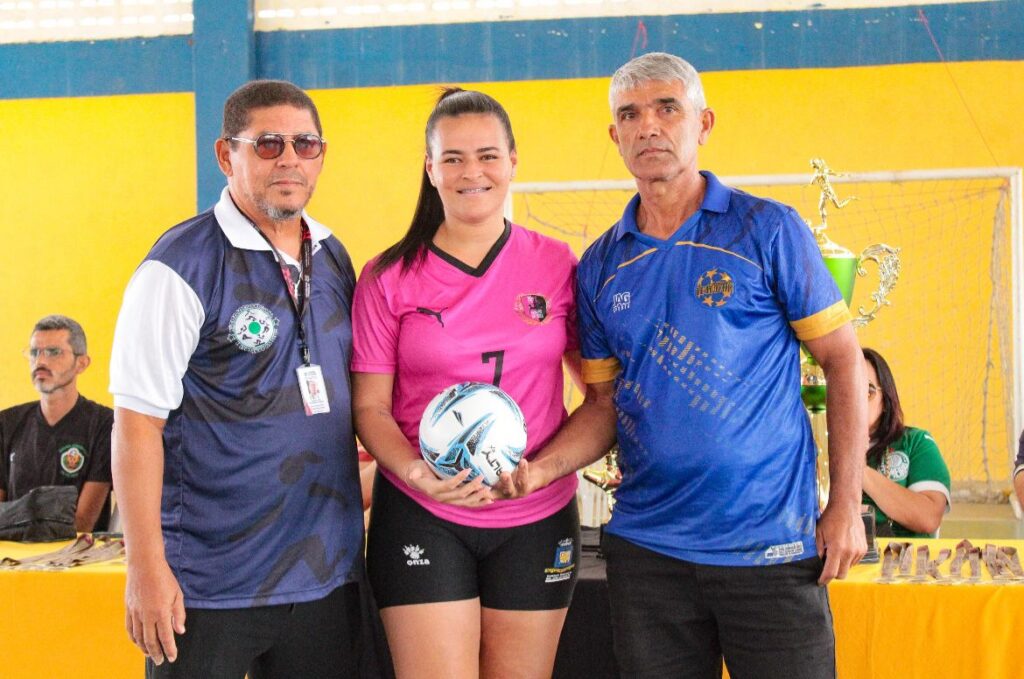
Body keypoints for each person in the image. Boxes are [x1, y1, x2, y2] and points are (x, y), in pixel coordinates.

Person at [498, 52, 867, 679]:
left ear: (704, 123)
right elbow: (603, 405)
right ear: (615, 136)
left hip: (771, 548)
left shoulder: (768, 229)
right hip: (649, 555)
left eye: (667, 108)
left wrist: (847, 504)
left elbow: (844, 361)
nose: (648, 126)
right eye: (630, 115)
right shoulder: (599, 265)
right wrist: (541, 470)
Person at [109, 80, 365, 678]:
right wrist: (144, 568)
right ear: (227, 155)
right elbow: (137, 424)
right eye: (268, 144)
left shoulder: (333, 255)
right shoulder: (179, 266)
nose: (290, 159)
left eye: (305, 144)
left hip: (325, 575)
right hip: (208, 582)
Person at [351, 87, 581, 679]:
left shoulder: (557, 264)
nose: (471, 172)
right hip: (424, 512)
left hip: (536, 514)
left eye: (487, 155)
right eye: (452, 158)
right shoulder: (387, 276)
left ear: (513, 162)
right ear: (430, 169)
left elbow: (601, 399)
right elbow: (371, 409)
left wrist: (544, 470)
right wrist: (417, 474)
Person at [0, 315, 113, 532]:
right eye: (34, 352)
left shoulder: (104, 424)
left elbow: (82, 523)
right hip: (11, 552)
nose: (40, 361)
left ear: (82, 363)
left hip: (73, 552)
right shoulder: (7, 423)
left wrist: (18, 515)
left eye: (53, 352)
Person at [861, 348, 950, 537]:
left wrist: (858, 470)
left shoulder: (916, 442)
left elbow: (928, 518)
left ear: (885, 400)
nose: (855, 399)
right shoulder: (815, 446)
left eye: (867, 391)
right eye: (845, 389)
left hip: (901, 554)